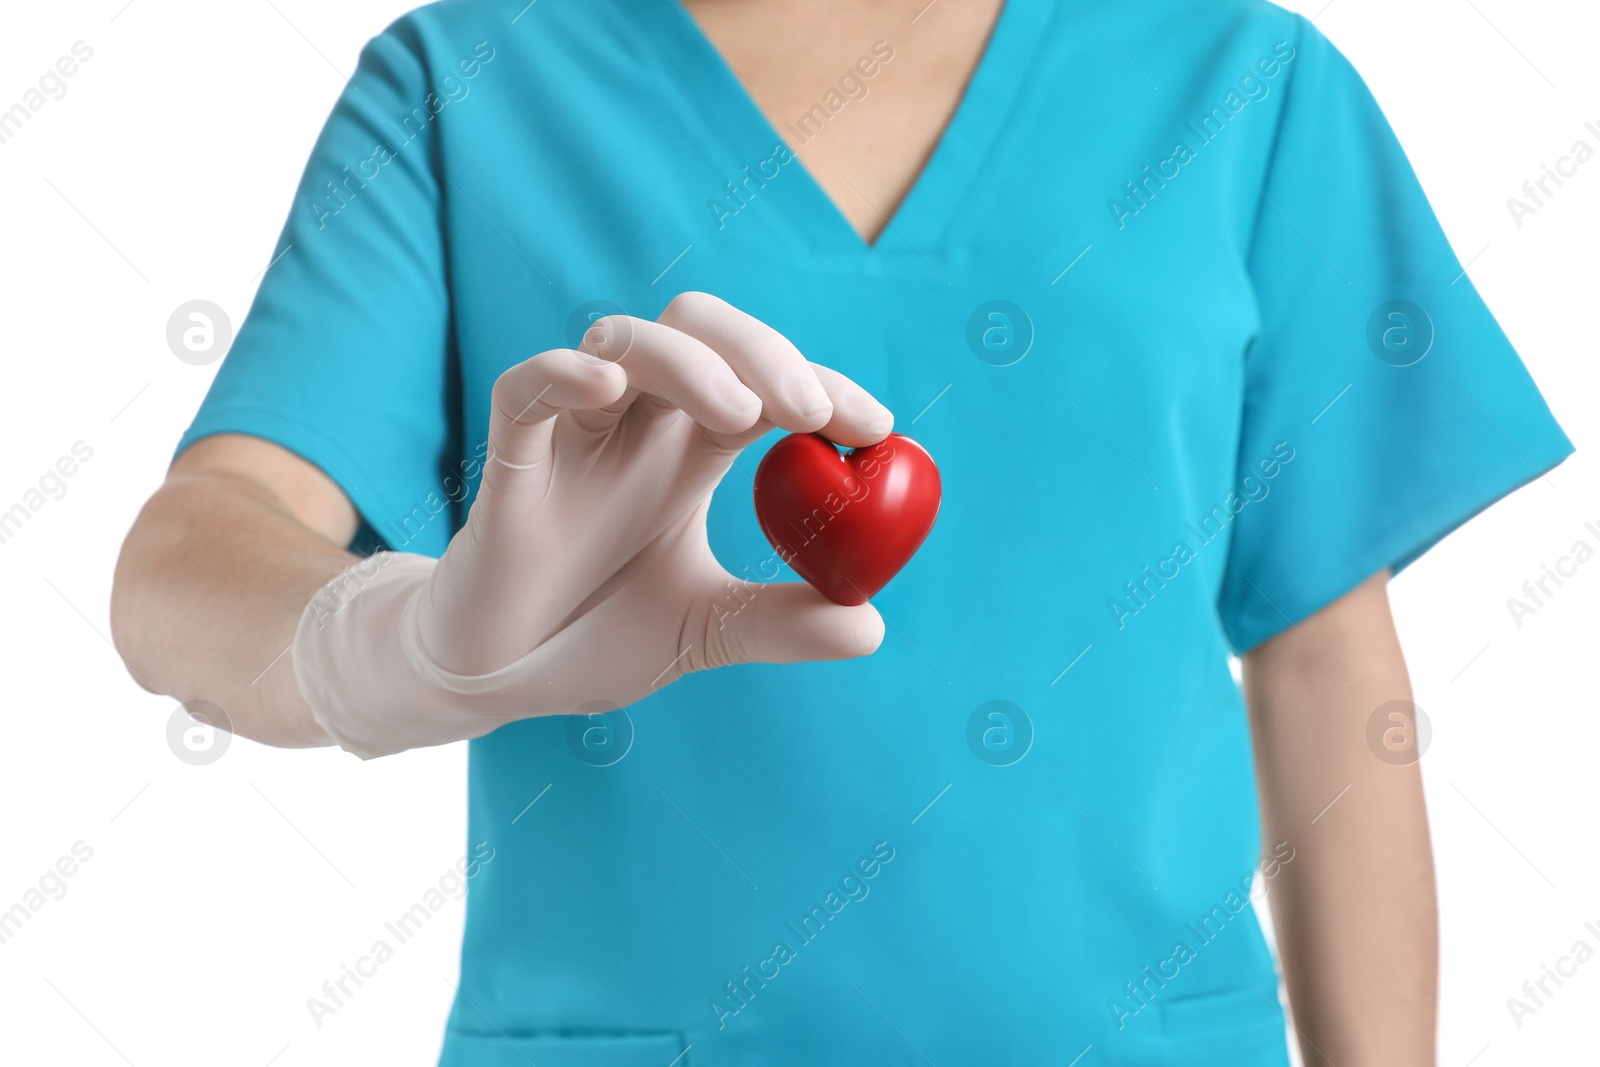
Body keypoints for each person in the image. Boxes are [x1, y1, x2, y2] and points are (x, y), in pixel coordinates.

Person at [110, 0, 1573, 1063]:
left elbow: (1326, 667)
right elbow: (191, 555)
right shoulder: (470, 83)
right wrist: (391, 645)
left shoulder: (1246, 87)